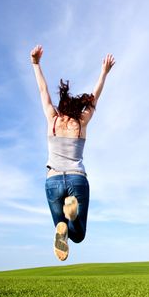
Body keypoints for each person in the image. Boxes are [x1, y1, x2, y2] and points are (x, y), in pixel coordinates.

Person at [30, 45, 115, 261]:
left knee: (62, 227)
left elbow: (43, 91)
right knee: (78, 235)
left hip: (53, 179)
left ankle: (64, 222)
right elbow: (94, 99)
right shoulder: (81, 123)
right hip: (77, 178)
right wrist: (103, 73)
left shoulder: (53, 119)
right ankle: (73, 212)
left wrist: (36, 64)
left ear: (61, 106)